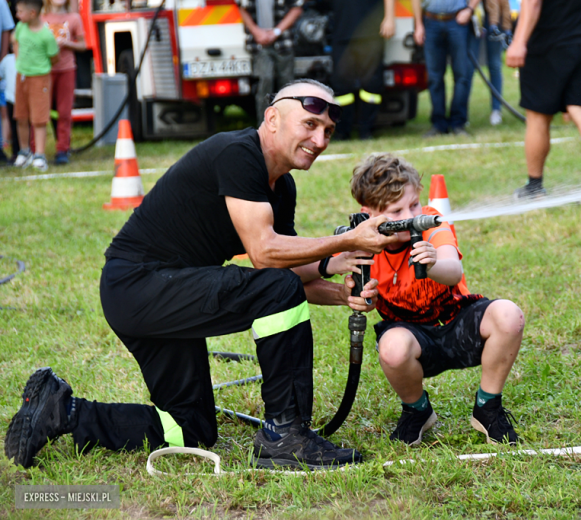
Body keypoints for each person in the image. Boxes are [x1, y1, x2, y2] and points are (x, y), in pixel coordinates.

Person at [4, 79, 402, 472]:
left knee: (190, 430)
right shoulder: (239, 154)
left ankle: (63, 411)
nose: (320, 140)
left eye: (328, 132)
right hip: (139, 286)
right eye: (310, 125)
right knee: (276, 290)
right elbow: (265, 254)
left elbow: (287, 264)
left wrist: (338, 288)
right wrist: (347, 239)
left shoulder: (282, 187)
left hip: (162, 293)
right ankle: (285, 435)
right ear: (273, 119)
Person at [329, 153, 524, 445]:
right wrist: (358, 296)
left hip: (456, 322)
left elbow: (453, 271)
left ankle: (488, 407)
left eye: (413, 204)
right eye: (396, 211)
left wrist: (433, 263)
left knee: (509, 315)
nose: (409, 217)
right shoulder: (363, 241)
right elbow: (364, 299)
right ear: (368, 214)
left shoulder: (431, 222)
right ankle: (417, 410)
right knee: (392, 349)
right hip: (411, 336)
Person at [506, 0, 581, 198]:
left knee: (538, 116)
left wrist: (519, 42)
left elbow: (533, 3)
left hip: (547, 42)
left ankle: (534, 187)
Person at [411, 0, 482, 137]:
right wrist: (418, 25)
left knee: (462, 75)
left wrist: (469, 9)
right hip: (431, 21)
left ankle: (458, 123)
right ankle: (438, 124)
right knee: (434, 78)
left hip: (457, 22)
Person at [330, 0, 395, 140]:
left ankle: (366, 130)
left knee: (371, 84)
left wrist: (389, 18)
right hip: (342, 33)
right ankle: (342, 131)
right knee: (341, 86)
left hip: (370, 35)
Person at [239, 0, 303, 125]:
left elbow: (297, 8)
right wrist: (256, 32)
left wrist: (276, 32)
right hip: (259, 44)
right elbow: (242, 8)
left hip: (283, 43)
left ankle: (290, 125)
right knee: (265, 79)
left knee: (287, 85)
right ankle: (264, 127)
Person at [12, 0, 59, 171]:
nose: (17, 15)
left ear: (32, 13)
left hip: (39, 79)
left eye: (20, 11)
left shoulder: (46, 35)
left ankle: (39, 154)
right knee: (21, 116)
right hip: (21, 77)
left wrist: (39, 68)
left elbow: (54, 57)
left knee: (39, 118)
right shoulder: (20, 28)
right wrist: (19, 60)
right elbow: (15, 40)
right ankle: (25, 152)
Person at [42, 0, 84, 165]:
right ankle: (36, 150)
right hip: (44, 70)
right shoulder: (40, 17)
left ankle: (62, 150)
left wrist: (67, 43)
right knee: (41, 112)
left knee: (64, 112)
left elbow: (83, 44)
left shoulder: (74, 18)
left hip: (67, 69)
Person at [484, 0, 513, 125]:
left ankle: (496, 110)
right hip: (472, 15)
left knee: (495, 65)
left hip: (495, 19)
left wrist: (506, 26)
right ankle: (462, 114)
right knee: (467, 68)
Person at [0, 40, 18, 162]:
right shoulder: (7, 60)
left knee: (22, 125)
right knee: (9, 120)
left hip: (24, 99)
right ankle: (12, 149)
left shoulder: (28, 60)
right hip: (9, 97)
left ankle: (25, 151)